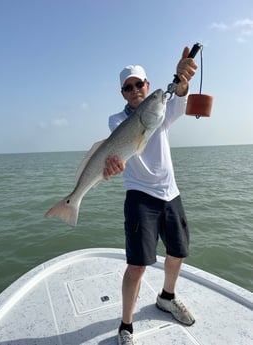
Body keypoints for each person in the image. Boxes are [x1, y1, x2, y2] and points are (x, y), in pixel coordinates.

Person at [103, 46, 198, 345]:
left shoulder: (162, 109)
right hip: (139, 196)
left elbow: (180, 96)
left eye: (139, 84)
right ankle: (126, 326)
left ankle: (167, 298)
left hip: (170, 192)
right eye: (127, 87)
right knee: (138, 264)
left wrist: (183, 80)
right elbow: (120, 148)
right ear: (123, 93)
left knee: (178, 251)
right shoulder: (117, 121)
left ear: (147, 84)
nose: (134, 90)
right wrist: (112, 165)